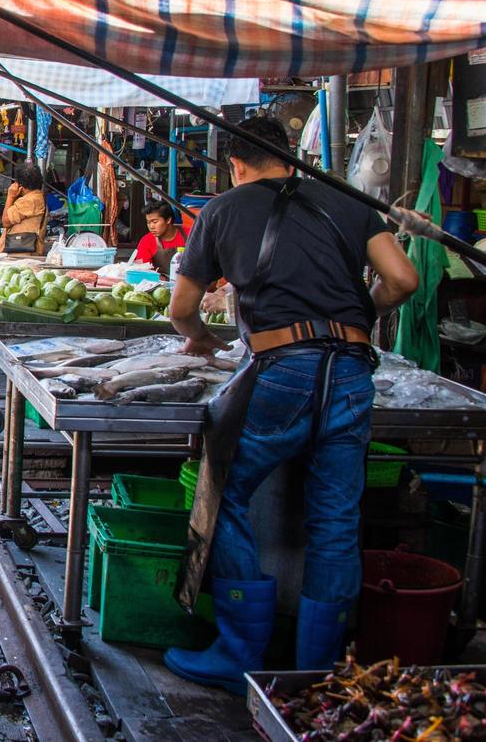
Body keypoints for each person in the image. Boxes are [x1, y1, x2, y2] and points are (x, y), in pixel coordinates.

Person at [164, 116, 418, 694]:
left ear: (235, 164)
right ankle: (318, 671)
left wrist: (202, 339)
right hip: (352, 372)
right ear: (288, 156)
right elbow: (402, 279)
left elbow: (182, 307)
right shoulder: (348, 202)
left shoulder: (222, 209)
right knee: (335, 520)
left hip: (280, 372)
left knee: (224, 494)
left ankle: (239, 652)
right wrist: (355, 320)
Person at [0, 165, 47, 255]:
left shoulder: (29, 200)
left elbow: (5, 221)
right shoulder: (37, 197)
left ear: (20, 185)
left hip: (20, 253)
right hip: (24, 252)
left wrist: (10, 196)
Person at [134, 200, 191, 275]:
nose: (151, 226)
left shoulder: (190, 234)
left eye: (155, 222)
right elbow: (143, 270)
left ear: (168, 220)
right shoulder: (147, 241)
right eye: (148, 222)